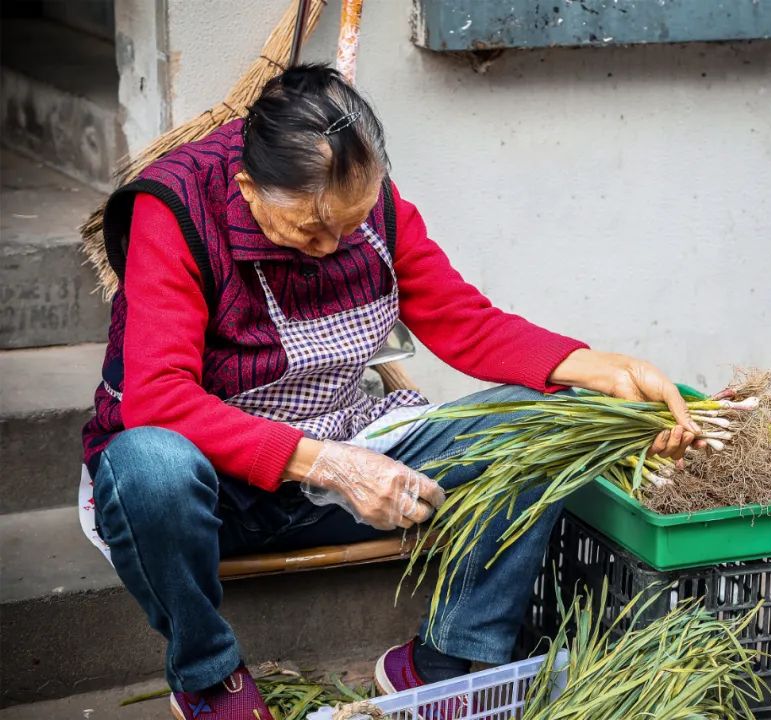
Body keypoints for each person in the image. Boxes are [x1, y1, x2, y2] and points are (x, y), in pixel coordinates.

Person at [80, 64, 703, 720]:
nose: (329, 249)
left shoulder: (369, 203)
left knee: (538, 424)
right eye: (308, 230)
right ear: (247, 188)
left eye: (345, 229)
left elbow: (464, 323)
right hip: (218, 490)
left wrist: (598, 368)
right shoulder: (175, 209)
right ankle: (208, 674)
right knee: (147, 465)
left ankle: (444, 660)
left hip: (350, 450)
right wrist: (331, 465)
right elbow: (156, 397)